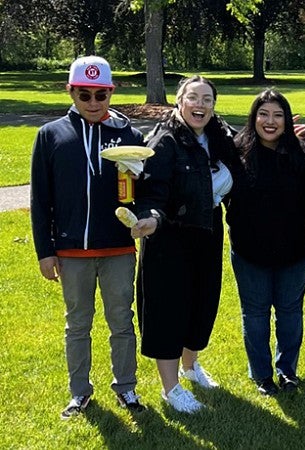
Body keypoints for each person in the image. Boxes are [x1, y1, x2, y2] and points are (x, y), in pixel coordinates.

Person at [30, 55, 144, 419]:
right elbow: (40, 199)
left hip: (118, 247)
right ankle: (79, 392)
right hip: (71, 248)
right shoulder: (51, 135)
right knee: (77, 324)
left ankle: (126, 388)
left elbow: (144, 194)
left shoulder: (130, 136)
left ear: (111, 93)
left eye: (101, 95)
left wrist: (138, 192)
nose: (93, 102)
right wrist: (45, 252)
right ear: (71, 92)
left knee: (121, 321)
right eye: (84, 94)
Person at [131, 75, 236, 413]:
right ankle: (170, 387)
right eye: (193, 97)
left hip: (207, 230)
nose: (200, 105)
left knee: (202, 301)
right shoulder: (165, 141)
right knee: (168, 309)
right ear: (179, 102)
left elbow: (246, 154)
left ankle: (191, 366)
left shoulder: (220, 135)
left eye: (207, 99)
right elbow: (151, 191)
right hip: (169, 236)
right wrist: (151, 219)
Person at [225, 89, 305, 396]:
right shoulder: (236, 151)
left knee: (290, 313)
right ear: (253, 118)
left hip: (295, 251)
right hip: (249, 250)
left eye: (278, 115)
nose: (270, 121)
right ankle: (262, 374)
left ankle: (287, 371)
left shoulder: (303, 153)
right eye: (264, 114)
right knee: (256, 313)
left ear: (288, 120)